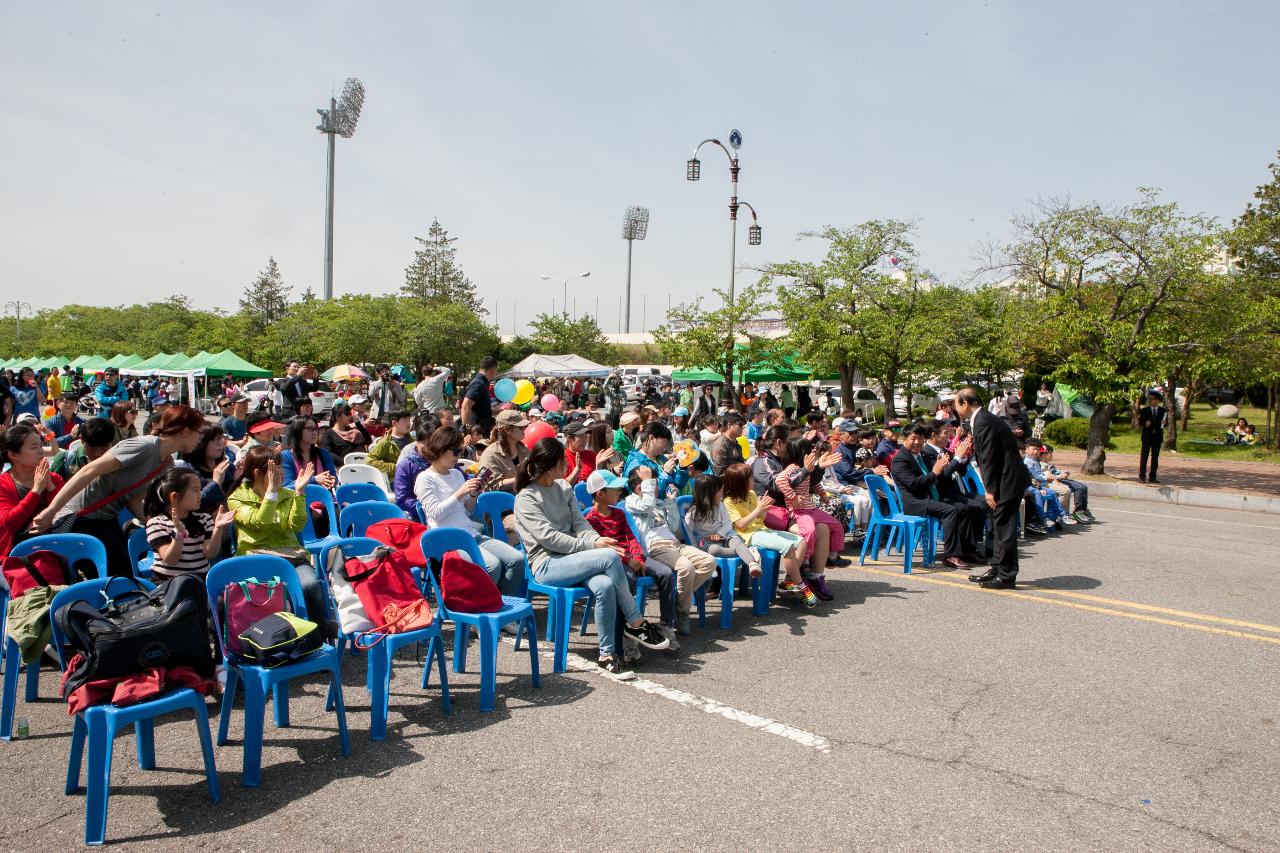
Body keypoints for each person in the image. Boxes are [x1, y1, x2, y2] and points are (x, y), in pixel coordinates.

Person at [513, 437, 669, 676]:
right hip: (546, 564)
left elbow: (580, 524)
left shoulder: (563, 488)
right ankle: (636, 622)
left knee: (605, 584)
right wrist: (594, 545)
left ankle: (607, 654)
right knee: (608, 556)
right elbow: (549, 539)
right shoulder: (526, 497)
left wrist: (596, 539)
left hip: (574, 560)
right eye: (561, 462)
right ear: (552, 465)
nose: (566, 466)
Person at [31, 404, 206, 576]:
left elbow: (133, 498)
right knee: (116, 575)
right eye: (200, 433)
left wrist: (153, 524)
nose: (200, 439)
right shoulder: (144, 446)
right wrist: (51, 511)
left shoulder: (166, 463)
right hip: (81, 517)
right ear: (185, 431)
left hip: (106, 519)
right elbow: (88, 470)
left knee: (123, 572)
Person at [227, 445, 332, 637]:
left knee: (310, 584)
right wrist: (272, 494)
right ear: (259, 473)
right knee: (271, 592)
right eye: (275, 469)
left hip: (290, 557)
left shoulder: (287, 493)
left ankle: (318, 636)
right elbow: (260, 522)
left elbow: (297, 525)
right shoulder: (237, 498)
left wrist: (299, 493)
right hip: (256, 561)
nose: (281, 473)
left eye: (281, 468)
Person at [415, 426, 524, 595]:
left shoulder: (457, 474)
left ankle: (501, 604)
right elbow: (435, 513)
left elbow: (467, 511)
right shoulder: (425, 478)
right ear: (440, 448)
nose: (458, 456)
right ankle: (486, 610)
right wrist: (460, 492)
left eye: (461, 451)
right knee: (492, 566)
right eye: (455, 451)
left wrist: (473, 494)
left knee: (516, 560)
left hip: (469, 533)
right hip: (447, 539)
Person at [583, 469, 678, 653]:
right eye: (614, 489)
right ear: (600, 495)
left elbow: (631, 538)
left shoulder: (619, 513)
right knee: (628, 580)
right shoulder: (590, 520)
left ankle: (666, 625)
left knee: (666, 573)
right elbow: (603, 551)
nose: (619, 492)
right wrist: (628, 560)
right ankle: (628, 634)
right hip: (614, 562)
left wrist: (636, 557)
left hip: (634, 558)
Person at [953, 387, 1030, 589]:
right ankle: (996, 567)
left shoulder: (983, 420)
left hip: (1007, 480)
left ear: (965, 403)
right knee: (997, 526)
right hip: (1006, 477)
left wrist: (989, 489)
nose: (955, 408)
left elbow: (988, 458)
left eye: (956, 403)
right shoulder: (982, 419)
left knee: (1004, 527)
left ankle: (1006, 575)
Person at [720, 463, 815, 606]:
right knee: (788, 546)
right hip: (749, 535)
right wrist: (759, 509)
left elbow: (761, 519)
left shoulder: (751, 494)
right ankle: (801, 586)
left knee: (801, 542)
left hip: (762, 530)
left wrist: (764, 509)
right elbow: (740, 525)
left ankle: (789, 581)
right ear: (740, 482)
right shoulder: (728, 501)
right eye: (750, 478)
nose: (753, 480)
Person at [891, 424, 980, 569]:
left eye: (920, 439)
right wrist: (934, 473)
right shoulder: (900, 459)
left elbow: (938, 476)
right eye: (913, 438)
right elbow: (913, 484)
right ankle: (950, 555)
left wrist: (947, 466)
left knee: (963, 508)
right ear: (904, 439)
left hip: (930, 496)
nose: (917, 442)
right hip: (916, 501)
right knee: (950, 510)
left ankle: (967, 551)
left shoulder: (923, 455)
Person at [768, 437, 846, 594]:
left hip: (811, 508)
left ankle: (833, 556)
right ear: (800, 453)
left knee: (836, 525)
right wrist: (792, 497)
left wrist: (823, 494)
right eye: (809, 451)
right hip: (798, 511)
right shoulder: (793, 467)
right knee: (809, 531)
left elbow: (813, 483)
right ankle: (805, 562)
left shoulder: (808, 468)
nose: (812, 453)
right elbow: (781, 480)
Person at [143, 467, 235, 580]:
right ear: (175, 497)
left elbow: (210, 553)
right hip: (170, 584)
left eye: (200, 490)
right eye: (195, 490)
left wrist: (218, 528)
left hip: (199, 580)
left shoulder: (204, 519)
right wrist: (179, 535)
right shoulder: (157, 523)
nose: (200, 494)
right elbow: (171, 560)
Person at [0, 424, 65, 557]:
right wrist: (36, 491)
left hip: (54, 547)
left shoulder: (54, 478)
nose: (41, 451)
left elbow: (67, 516)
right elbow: (10, 523)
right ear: (13, 454)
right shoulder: (3, 484)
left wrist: (50, 487)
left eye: (41, 446)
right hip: (16, 554)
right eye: (34, 447)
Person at [684, 473, 762, 579]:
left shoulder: (721, 506)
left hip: (726, 537)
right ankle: (748, 552)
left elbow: (727, 524)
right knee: (713, 551)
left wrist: (719, 533)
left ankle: (752, 564)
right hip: (707, 543)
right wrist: (695, 549)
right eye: (720, 492)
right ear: (709, 494)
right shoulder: (693, 513)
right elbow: (688, 532)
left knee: (736, 542)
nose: (722, 495)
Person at [178, 423, 239, 515]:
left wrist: (238, 479)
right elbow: (194, 505)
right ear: (200, 444)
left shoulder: (227, 466)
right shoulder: (186, 471)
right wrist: (216, 483)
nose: (221, 443)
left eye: (221, 438)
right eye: (215, 439)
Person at [393, 410, 438, 517]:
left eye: (433, 444)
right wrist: (427, 508)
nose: (429, 449)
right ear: (417, 441)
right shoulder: (406, 464)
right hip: (419, 515)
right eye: (425, 444)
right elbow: (402, 499)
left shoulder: (443, 457)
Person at [478, 409, 530, 495]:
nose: (524, 430)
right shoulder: (490, 455)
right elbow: (492, 485)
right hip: (503, 505)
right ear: (507, 430)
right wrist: (522, 478)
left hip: (524, 499)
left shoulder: (523, 449)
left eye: (525, 427)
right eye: (521, 427)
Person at [280, 416, 338, 491]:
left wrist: (332, 480)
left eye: (315, 429)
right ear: (297, 431)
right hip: (298, 500)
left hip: (323, 498)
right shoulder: (286, 456)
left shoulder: (323, 453)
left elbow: (333, 477)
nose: (315, 432)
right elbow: (287, 485)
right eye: (310, 429)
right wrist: (315, 479)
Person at [50, 416, 117, 479]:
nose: (97, 453)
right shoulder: (63, 460)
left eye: (104, 447)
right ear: (81, 439)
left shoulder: (119, 462)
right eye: (92, 448)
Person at [1040, 445, 1094, 522]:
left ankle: (1083, 510)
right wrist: (1061, 476)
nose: (1052, 456)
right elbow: (1048, 476)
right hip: (1054, 481)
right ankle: (1076, 512)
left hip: (1059, 479)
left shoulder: (1049, 464)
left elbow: (1055, 472)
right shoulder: (1041, 464)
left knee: (1083, 486)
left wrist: (1064, 472)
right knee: (1077, 488)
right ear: (1045, 454)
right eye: (1051, 454)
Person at [367, 410, 413, 480]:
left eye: (409, 420)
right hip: (395, 480)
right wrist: (394, 467)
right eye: (405, 421)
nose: (408, 424)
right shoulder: (385, 442)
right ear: (394, 423)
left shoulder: (412, 440)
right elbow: (370, 461)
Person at [460, 356, 498, 436]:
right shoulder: (478, 383)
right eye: (496, 370)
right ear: (492, 369)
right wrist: (465, 429)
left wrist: (497, 411)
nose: (495, 373)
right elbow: (465, 406)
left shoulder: (482, 382)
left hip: (483, 427)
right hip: (478, 430)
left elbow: (479, 408)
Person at [1138, 390, 1166, 484]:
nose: (1150, 401)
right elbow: (1140, 422)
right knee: (1144, 457)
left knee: (1155, 457)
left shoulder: (1162, 411)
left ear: (1157, 400)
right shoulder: (1145, 410)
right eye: (1149, 399)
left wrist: (1164, 423)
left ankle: (1152, 477)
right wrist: (1145, 424)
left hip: (1157, 437)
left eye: (1152, 399)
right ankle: (1142, 476)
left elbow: (1164, 424)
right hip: (1147, 437)